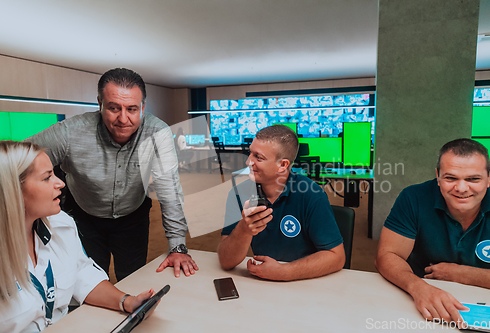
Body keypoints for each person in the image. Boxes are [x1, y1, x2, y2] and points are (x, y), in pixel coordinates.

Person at [27, 68, 198, 281]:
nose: (123, 119)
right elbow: (16, 159)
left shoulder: (157, 133)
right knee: (86, 280)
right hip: (83, 216)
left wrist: (178, 246)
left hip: (133, 216)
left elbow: (169, 191)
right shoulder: (70, 132)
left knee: (132, 279)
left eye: (132, 109)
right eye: (114, 108)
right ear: (100, 104)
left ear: (143, 108)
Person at [0, 141, 155, 333]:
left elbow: (82, 273)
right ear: (13, 191)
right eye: (47, 178)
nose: (60, 183)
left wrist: (127, 301)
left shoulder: (60, 223)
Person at [375, 138, 490, 326]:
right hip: (420, 296)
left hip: (489, 302)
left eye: (473, 179)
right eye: (450, 178)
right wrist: (418, 288)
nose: (462, 188)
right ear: (438, 176)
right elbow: (387, 255)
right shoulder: (413, 197)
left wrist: (462, 274)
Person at [217, 125, 345, 281]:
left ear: (283, 165)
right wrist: (244, 229)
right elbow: (226, 260)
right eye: (250, 153)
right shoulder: (239, 193)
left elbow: (337, 257)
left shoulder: (312, 195)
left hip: (305, 283)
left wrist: (284, 272)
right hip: (261, 283)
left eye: (258, 157)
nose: (248, 161)